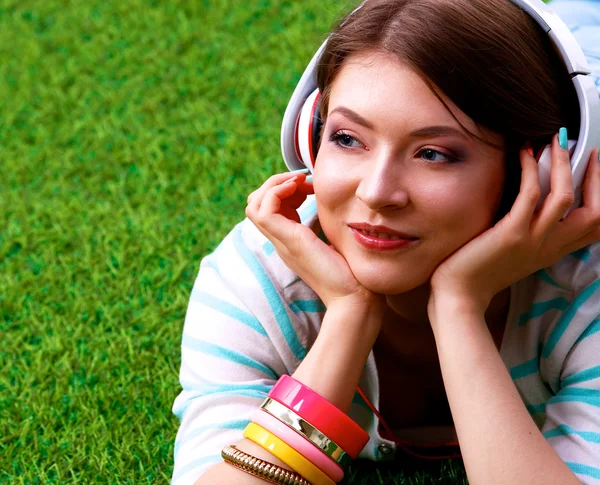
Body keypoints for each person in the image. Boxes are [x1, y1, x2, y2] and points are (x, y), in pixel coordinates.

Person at [171, 0, 600, 484]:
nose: (376, 192)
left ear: (535, 176)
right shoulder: (258, 277)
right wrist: (349, 315)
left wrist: (458, 306)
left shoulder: (586, 287)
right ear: (310, 138)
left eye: (433, 153)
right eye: (348, 139)